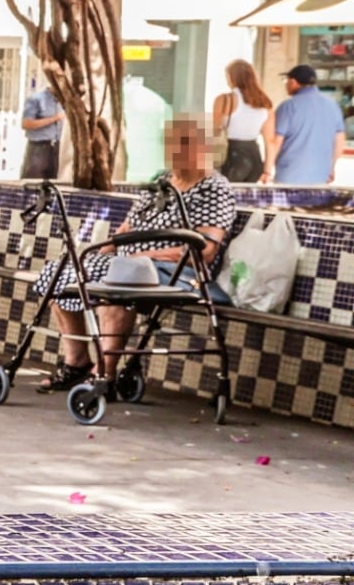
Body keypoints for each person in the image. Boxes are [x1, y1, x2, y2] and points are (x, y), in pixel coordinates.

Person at [28, 114, 234, 394]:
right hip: (131, 263)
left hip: (178, 272)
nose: (175, 150)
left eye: (185, 143)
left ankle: (105, 374)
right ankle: (77, 362)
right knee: (59, 271)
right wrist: (102, 249)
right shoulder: (162, 180)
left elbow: (205, 251)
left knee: (118, 280)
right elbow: (128, 225)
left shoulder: (214, 188)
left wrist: (142, 256)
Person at [273, 64, 346, 186]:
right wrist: (331, 166)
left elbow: (276, 141)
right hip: (320, 177)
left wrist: (267, 168)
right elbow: (339, 141)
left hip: (289, 177)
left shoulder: (288, 107)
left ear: (293, 82)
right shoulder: (332, 106)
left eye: (286, 81)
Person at [211, 59, 274, 184]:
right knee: (246, 201)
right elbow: (270, 142)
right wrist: (267, 170)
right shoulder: (265, 103)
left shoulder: (225, 100)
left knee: (226, 198)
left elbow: (214, 131)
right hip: (255, 158)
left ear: (232, 77)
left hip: (232, 156)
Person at [20, 77, 66, 180]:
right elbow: (26, 124)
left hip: (55, 148)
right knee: (34, 182)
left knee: (52, 183)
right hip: (38, 148)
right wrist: (55, 118)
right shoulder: (36, 99)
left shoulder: (63, 102)